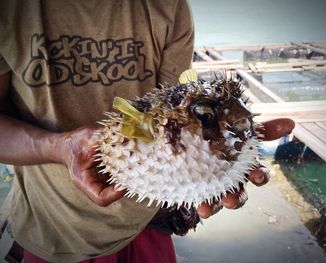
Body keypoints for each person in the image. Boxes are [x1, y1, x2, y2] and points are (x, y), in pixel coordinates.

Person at [0, 0, 295, 262]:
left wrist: (191, 193)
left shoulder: (169, 6)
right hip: (53, 228)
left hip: (149, 216)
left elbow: (172, 96)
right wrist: (57, 147)